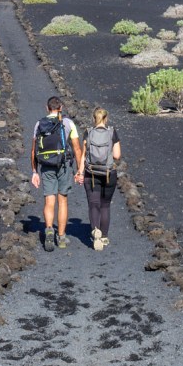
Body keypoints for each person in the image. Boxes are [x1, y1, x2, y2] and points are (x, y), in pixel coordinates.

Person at [30, 95, 80, 251]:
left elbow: (34, 150)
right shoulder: (68, 123)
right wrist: (79, 170)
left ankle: (49, 228)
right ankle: (62, 236)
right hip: (64, 164)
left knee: (49, 201)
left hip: (46, 164)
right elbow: (77, 148)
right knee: (62, 201)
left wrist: (34, 171)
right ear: (61, 108)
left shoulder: (39, 124)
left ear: (47, 108)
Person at [75, 107, 121, 251]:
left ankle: (95, 231)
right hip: (108, 173)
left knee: (93, 204)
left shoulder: (88, 133)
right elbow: (117, 155)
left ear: (93, 118)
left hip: (91, 173)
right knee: (105, 204)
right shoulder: (112, 133)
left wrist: (80, 173)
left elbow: (83, 155)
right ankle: (104, 236)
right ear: (106, 118)